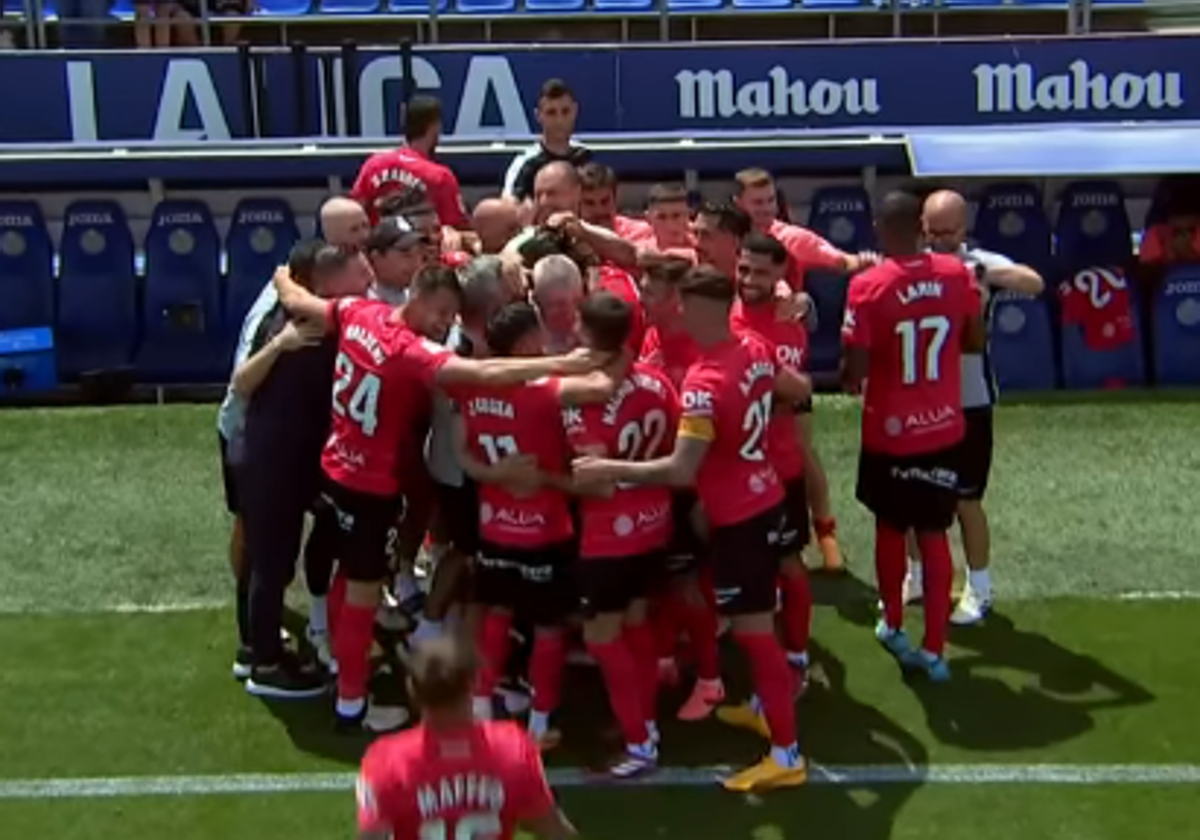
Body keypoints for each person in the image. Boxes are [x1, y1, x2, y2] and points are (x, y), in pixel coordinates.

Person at [273, 264, 608, 729]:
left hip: (334, 470)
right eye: (442, 311)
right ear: (417, 294)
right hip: (370, 485)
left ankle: (341, 669)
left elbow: (298, 302)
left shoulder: (358, 312)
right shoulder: (412, 351)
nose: (446, 322)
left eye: (453, 315)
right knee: (363, 591)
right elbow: (482, 374)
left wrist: (282, 275)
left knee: (349, 580)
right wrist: (561, 364)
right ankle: (352, 704)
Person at [574, 265, 812, 792]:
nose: (673, 310)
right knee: (759, 627)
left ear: (694, 307)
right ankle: (767, 712)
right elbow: (792, 390)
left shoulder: (705, 384)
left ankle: (786, 752)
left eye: (680, 302)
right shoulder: (752, 348)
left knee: (753, 635)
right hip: (766, 496)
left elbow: (680, 470)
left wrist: (611, 469)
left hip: (739, 520)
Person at [841, 191, 985, 683]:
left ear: (881, 229)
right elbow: (973, 341)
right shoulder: (956, 274)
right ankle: (937, 649)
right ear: (922, 228)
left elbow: (853, 372)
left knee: (889, 528)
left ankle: (894, 622)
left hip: (890, 431)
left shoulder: (867, 286)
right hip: (945, 426)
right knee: (935, 534)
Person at [453, 301, 586, 751]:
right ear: (529, 342)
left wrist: (492, 477)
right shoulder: (552, 391)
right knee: (548, 629)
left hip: (494, 527)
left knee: (495, 617)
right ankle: (540, 722)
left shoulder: (471, 388)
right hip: (545, 529)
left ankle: (480, 710)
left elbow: (461, 455)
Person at [239, 244, 371, 697]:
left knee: (276, 555)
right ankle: (266, 664)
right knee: (272, 562)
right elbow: (241, 383)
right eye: (359, 272)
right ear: (326, 285)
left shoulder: (301, 311)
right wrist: (281, 345)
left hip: (293, 457)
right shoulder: (307, 327)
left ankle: (259, 648)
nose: (367, 279)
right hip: (275, 459)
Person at [915, 189, 1044, 624]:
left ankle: (979, 587)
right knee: (916, 495)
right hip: (920, 400)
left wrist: (982, 272)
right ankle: (916, 577)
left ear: (964, 229)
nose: (940, 240)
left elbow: (1033, 282)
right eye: (933, 232)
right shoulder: (911, 264)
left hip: (969, 401)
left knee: (966, 500)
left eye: (949, 232)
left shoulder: (980, 261)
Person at [559, 292, 670, 776]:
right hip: (655, 522)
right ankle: (646, 721)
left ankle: (639, 742)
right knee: (636, 626)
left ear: (587, 335)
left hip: (609, 535)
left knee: (604, 637)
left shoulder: (588, 402)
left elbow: (594, 481)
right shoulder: (658, 382)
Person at [734, 169, 862, 573]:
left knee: (802, 452)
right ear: (739, 204)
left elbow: (842, 261)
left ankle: (825, 536)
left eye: (770, 201)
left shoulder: (791, 238)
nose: (765, 209)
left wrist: (804, 302)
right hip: (737, 349)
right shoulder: (723, 237)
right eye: (757, 202)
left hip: (785, 351)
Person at [356, 636, 577, 840]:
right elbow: (552, 829)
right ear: (472, 682)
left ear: (412, 688)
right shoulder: (513, 748)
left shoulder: (386, 760)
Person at [729, 232, 814, 684]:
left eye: (761, 272)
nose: (750, 279)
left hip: (778, 469)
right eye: (744, 269)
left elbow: (786, 396)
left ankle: (797, 653)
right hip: (732, 474)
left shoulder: (786, 325)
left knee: (787, 562)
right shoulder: (724, 313)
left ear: (780, 273)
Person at [351, 96, 468, 229]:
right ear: (434, 126)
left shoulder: (373, 164)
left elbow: (353, 212)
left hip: (377, 245)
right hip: (422, 247)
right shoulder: (440, 176)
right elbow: (457, 226)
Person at [502, 79, 591, 203]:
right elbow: (508, 207)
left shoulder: (585, 156)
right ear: (538, 116)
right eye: (551, 113)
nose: (559, 120)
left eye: (565, 112)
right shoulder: (526, 163)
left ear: (575, 111)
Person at [578, 162, 652, 241]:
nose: (599, 210)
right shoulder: (569, 240)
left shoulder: (641, 232)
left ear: (615, 199)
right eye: (589, 203)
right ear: (577, 204)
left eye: (605, 201)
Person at [365, 217, 427, 306]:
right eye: (406, 254)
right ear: (376, 257)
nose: (416, 263)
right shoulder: (366, 304)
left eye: (418, 253)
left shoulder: (420, 297)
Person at [531, 254, 585, 354]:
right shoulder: (524, 332)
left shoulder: (592, 324)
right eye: (559, 305)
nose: (571, 312)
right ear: (537, 301)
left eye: (577, 301)